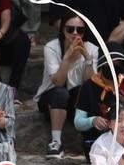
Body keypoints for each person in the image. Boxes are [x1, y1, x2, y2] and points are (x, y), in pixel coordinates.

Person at [36, 15, 99, 157]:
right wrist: (67, 58)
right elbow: (58, 82)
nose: (75, 33)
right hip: (50, 99)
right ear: (63, 30)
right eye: (70, 29)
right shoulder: (52, 47)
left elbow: (90, 84)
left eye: (80, 30)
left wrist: (87, 59)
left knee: (84, 91)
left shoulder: (92, 49)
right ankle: (56, 142)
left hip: (75, 101)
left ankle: (89, 142)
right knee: (60, 93)